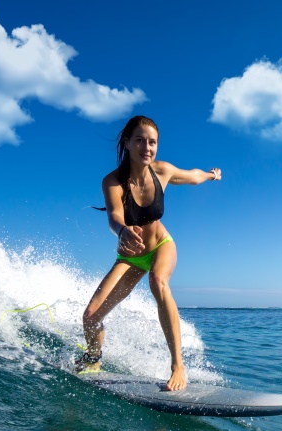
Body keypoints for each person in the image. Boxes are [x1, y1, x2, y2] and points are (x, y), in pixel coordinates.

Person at [76, 115, 221, 391]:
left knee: (158, 281)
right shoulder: (113, 182)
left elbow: (193, 177)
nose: (147, 147)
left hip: (161, 246)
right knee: (91, 317)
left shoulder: (162, 171)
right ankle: (94, 358)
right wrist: (121, 231)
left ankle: (178, 365)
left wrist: (211, 175)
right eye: (140, 140)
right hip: (130, 255)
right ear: (127, 143)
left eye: (152, 142)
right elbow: (114, 216)